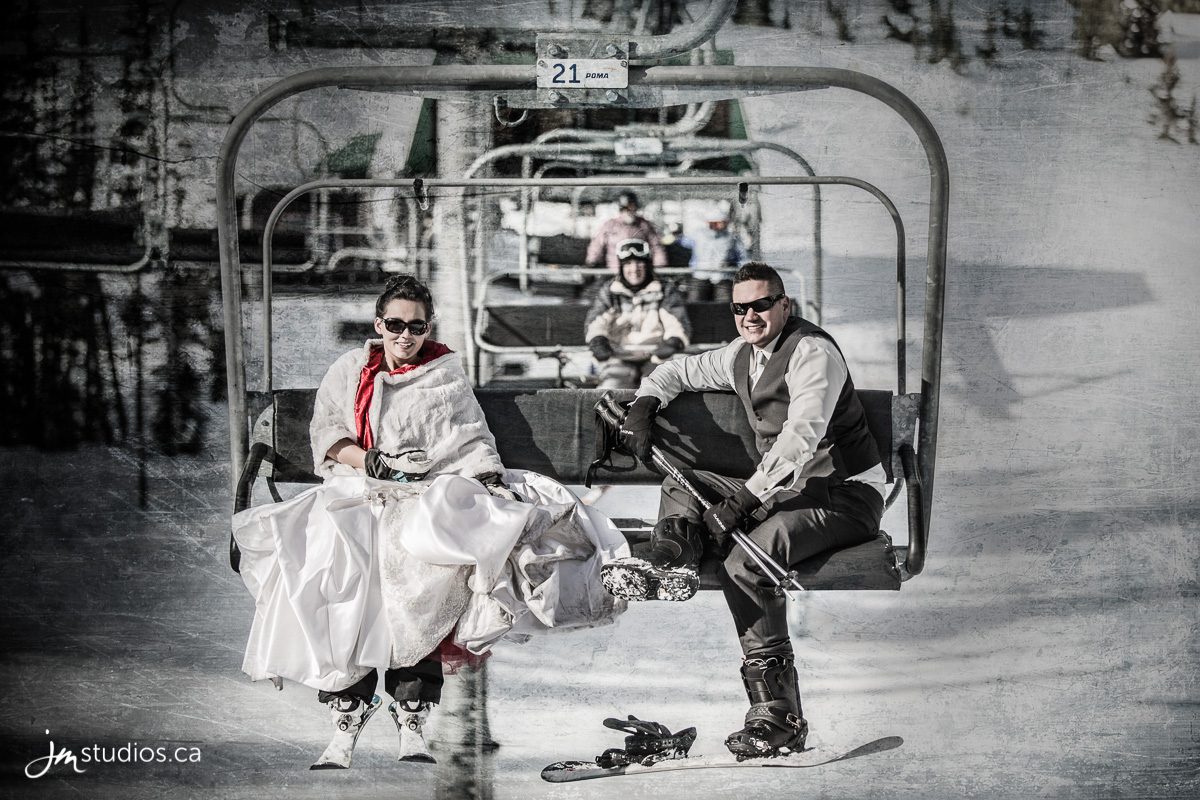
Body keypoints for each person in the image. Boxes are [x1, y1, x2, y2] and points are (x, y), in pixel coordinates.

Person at [232, 275, 627, 770]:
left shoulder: (443, 373)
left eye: (415, 326)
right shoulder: (351, 368)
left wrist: (485, 478)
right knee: (338, 563)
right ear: (379, 324)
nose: (404, 335)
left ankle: (411, 703)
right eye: (394, 324)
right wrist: (369, 461)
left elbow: (468, 436)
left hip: (423, 493)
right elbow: (328, 429)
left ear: (427, 328)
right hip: (359, 489)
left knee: (421, 567)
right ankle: (348, 704)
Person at [602, 262, 886, 760]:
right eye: (740, 308)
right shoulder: (742, 355)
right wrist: (644, 404)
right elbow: (676, 370)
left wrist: (742, 502)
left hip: (842, 494)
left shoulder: (812, 352)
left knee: (746, 564)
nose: (750, 316)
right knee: (684, 482)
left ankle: (778, 718)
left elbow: (801, 438)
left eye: (760, 304)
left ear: (783, 305)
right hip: (784, 491)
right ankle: (673, 561)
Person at [585, 238, 691, 389]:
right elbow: (597, 321)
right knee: (610, 389)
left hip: (655, 357)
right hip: (618, 356)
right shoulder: (611, 291)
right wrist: (598, 340)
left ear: (648, 265)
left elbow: (676, 322)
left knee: (656, 388)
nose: (634, 269)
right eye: (628, 263)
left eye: (639, 263)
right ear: (621, 267)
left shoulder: (663, 290)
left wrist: (673, 342)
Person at [584, 190, 668, 271]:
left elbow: (656, 246)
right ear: (620, 209)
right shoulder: (610, 225)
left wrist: (659, 265)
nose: (628, 211)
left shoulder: (644, 225)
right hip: (615, 271)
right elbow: (597, 245)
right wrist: (592, 261)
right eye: (625, 208)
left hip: (637, 273)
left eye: (632, 207)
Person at [688, 204, 748, 299]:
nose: (724, 224)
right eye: (720, 222)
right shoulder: (698, 236)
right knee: (695, 302)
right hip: (700, 275)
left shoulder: (732, 238)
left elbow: (742, 257)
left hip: (723, 276)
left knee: (723, 305)